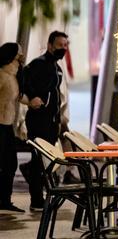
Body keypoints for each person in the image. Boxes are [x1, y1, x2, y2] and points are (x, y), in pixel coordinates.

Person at [19, 31, 69, 211]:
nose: (63, 49)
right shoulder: (38, 65)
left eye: (65, 45)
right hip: (38, 119)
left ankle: (39, 187)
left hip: (51, 121)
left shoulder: (57, 68)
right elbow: (23, 84)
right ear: (49, 45)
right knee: (40, 159)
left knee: (45, 159)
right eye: (60, 45)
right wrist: (32, 99)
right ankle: (37, 199)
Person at [0, 43, 25, 212]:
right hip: (0, 125)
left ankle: (5, 200)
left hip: (7, 125)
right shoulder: (1, 75)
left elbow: (18, 97)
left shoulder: (14, 75)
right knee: (5, 164)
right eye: (19, 55)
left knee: (10, 164)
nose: (21, 58)